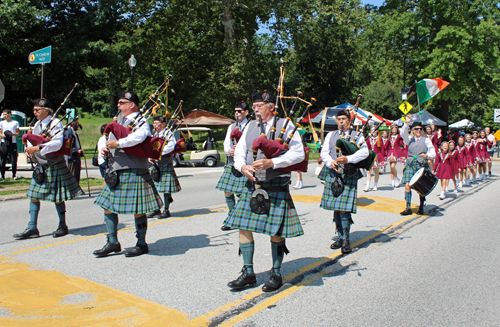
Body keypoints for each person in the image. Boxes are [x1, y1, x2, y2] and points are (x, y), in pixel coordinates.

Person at [223, 90, 305, 293]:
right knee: (243, 226)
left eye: (260, 106)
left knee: (275, 231)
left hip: (276, 185)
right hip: (252, 185)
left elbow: (299, 153)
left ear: (271, 107)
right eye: (255, 106)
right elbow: (240, 153)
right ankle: (248, 273)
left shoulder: (286, 125)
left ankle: (276, 273)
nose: (256, 109)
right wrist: (242, 167)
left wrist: (273, 162)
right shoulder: (250, 126)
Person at [93, 91, 163, 257]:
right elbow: (108, 138)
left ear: (132, 104)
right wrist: (105, 148)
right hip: (116, 168)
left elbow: (140, 136)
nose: (118, 105)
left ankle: (141, 243)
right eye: (118, 102)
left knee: (138, 209)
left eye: (122, 102)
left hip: (134, 169)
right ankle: (112, 242)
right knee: (107, 206)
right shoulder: (120, 121)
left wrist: (118, 143)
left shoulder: (142, 121)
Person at [13, 98, 83, 239]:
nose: (35, 112)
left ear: (47, 110)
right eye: (34, 110)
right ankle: (32, 227)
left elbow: (57, 143)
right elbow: (31, 139)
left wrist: (37, 148)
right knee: (33, 196)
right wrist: (28, 149)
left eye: (37, 110)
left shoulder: (55, 123)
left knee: (57, 197)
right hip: (41, 165)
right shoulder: (37, 124)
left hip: (53, 164)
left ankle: (62, 225)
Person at [320, 109, 368, 254]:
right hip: (334, 173)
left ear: (349, 120)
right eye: (339, 119)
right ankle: (340, 237)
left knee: (344, 208)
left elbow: (365, 152)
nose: (341, 121)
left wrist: (349, 159)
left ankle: (346, 239)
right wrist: (330, 162)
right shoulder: (330, 135)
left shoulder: (357, 135)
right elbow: (324, 152)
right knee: (336, 207)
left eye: (344, 119)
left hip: (348, 173)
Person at [216, 101, 250, 231]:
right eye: (235, 111)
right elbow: (226, 143)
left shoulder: (251, 125)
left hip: (246, 162)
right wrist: (229, 150)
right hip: (233, 161)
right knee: (227, 190)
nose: (236, 113)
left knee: (243, 193)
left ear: (246, 112)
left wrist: (242, 149)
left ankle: (244, 216)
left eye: (239, 111)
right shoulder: (232, 127)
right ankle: (232, 217)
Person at [399, 114, 436, 215]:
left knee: (421, 186)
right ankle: (408, 208)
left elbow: (433, 152)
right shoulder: (409, 139)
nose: (418, 130)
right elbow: (402, 133)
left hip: (421, 164)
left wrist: (427, 155)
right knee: (407, 185)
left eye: (420, 129)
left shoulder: (426, 140)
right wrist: (407, 123)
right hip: (410, 164)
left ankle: (421, 207)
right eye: (416, 129)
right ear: (413, 130)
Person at [147, 116, 181, 219]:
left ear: (163, 124)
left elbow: (171, 146)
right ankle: (156, 209)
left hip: (165, 164)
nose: (155, 125)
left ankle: (166, 210)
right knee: (153, 188)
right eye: (154, 123)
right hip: (155, 164)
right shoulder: (154, 134)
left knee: (166, 189)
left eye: (157, 123)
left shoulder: (168, 134)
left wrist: (157, 153)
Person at [0, 109, 20, 180]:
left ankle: (14, 175)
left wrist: (11, 134)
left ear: (9, 114)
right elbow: (0, 133)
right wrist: (5, 136)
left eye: (5, 114)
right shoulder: (2, 123)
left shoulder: (15, 122)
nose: (4, 116)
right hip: (4, 143)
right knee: (3, 159)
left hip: (13, 143)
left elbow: (18, 133)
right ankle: (2, 175)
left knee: (13, 159)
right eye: (3, 114)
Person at [364, 126, 385, 191]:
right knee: (368, 171)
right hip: (370, 155)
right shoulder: (369, 138)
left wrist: (383, 157)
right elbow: (365, 147)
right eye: (372, 130)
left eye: (375, 130)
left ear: (377, 131)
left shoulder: (380, 139)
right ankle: (367, 185)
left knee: (376, 171)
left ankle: (375, 185)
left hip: (377, 156)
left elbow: (382, 149)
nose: (374, 131)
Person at [64, 119, 82, 183]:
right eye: (76, 123)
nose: (77, 125)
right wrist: (76, 150)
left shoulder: (74, 132)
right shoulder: (69, 132)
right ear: (72, 123)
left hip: (76, 157)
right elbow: (67, 146)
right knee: (72, 175)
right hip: (71, 158)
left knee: (76, 175)